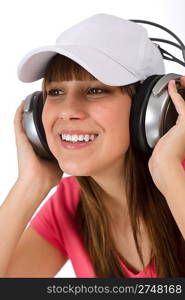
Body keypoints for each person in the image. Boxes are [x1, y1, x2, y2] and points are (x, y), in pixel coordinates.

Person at [1, 13, 185, 278]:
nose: (68, 111)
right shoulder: (68, 204)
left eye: (96, 90)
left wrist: (167, 171)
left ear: (151, 109)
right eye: (55, 92)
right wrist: (30, 184)